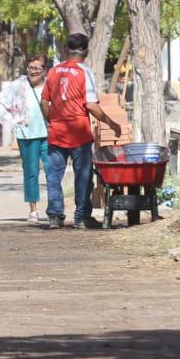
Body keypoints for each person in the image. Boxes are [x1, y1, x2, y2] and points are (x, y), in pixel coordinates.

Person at [40, 33, 119, 229]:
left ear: (66, 49)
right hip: (79, 133)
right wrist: (111, 122)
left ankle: (55, 217)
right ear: (86, 50)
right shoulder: (85, 72)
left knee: (53, 176)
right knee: (83, 176)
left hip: (56, 132)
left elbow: (44, 101)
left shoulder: (53, 71)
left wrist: (51, 119)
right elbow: (91, 106)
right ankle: (82, 217)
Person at [0, 54, 51, 222]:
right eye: (31, 68)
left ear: (44, 70)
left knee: (52, 171)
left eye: (38, 68)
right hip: (27, 134)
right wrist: (12, 123)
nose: (34, 72)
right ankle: (33, 209)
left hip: (50, 134)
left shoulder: (51, 84)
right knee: (31, 172)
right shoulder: (18, 85)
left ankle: (54, 207)